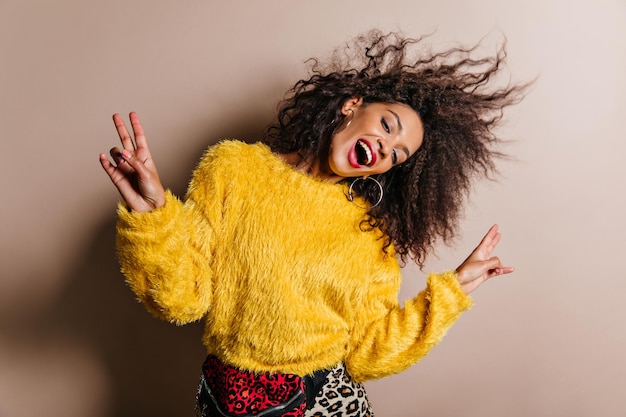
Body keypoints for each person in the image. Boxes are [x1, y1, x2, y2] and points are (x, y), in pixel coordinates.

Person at [99, 30, 525, 416]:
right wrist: (153, 215)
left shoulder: (371, 236)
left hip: (322, 403)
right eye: (387, 126)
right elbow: (183, 299)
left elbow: (368, 354)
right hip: (224, 399)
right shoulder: (232, 169)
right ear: (351, 105)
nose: (384, 148)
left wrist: (453, 291)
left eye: (396, 154)